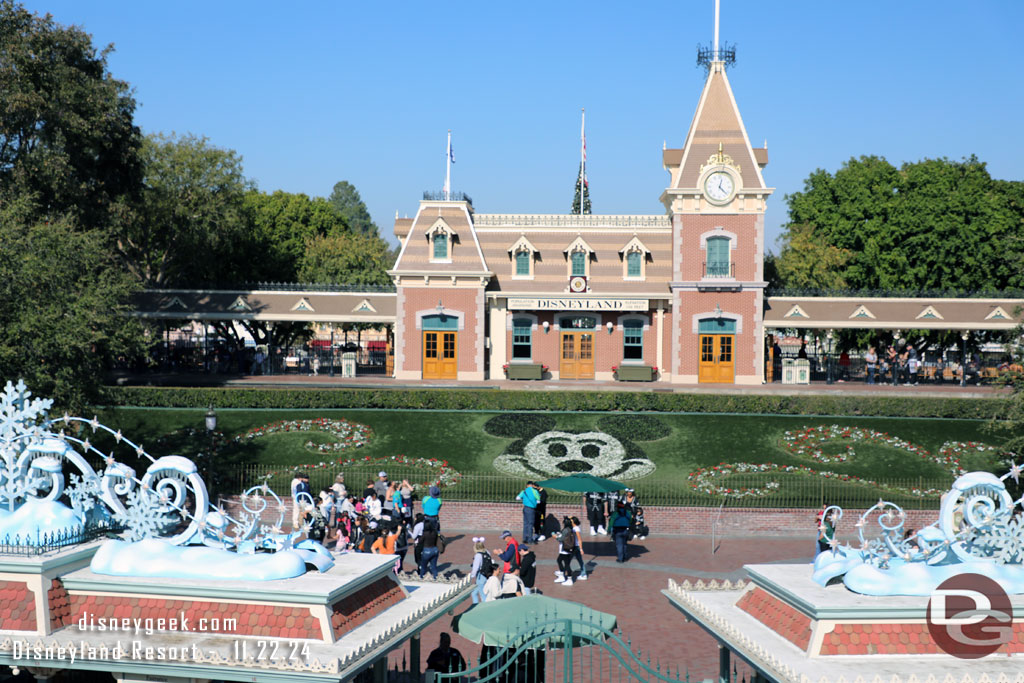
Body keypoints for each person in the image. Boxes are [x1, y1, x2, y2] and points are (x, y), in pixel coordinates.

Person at [469, 537, 493, 604]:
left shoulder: (478, 555)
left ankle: (484, 609)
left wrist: (471, 576)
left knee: (483, 595)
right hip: (487, 575)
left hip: (480, 576)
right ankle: (475, 605)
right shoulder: (487, 552)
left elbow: (475, 568)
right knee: (474, 593)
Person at [569, 516, 587, 581]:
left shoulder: (576, 528)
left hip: (576, 547)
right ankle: (583, 574)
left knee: (568, 560)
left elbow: (579, 539)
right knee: (579, 560)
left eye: (571, 521)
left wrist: (581, 548)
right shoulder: (573, 527)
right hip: (574, 546)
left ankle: (583, 574)